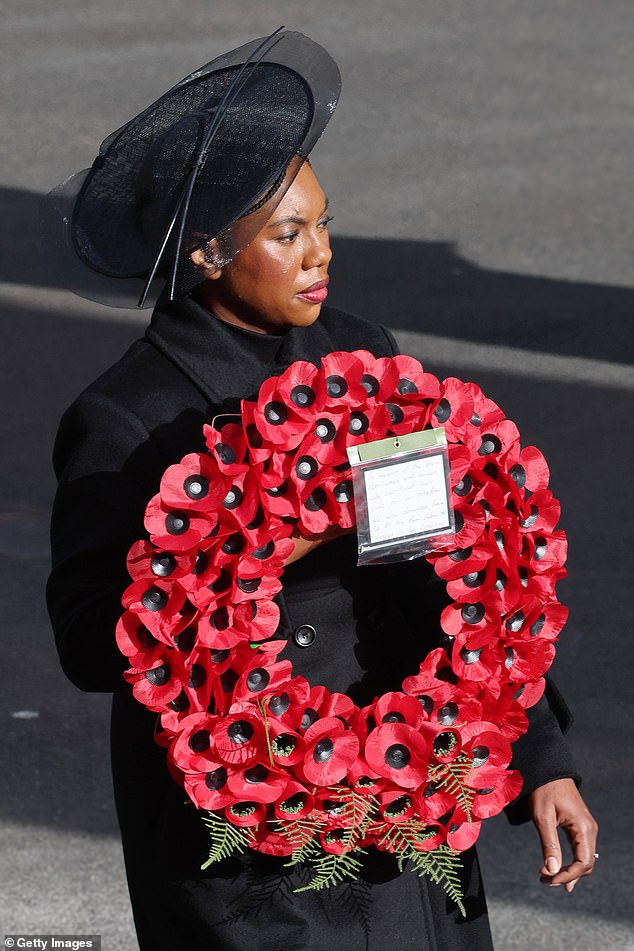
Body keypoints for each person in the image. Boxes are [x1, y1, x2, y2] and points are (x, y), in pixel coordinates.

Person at [46, 29, 598, 951]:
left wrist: (540, 758)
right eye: (289, 234)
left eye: (325, 223)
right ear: (211, 251)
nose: (320, 255)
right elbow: (89, 641)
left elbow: (456, 574)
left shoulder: (363, 357)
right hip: (250, 845)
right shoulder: (126, 416)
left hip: (408, 786)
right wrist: (255, 546)